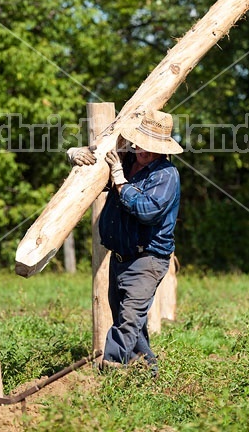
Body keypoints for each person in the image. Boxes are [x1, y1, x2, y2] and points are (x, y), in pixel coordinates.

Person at [67, 108, 183, 376]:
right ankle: (148, 372)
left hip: (148, 259)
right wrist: (74, 153)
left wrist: (120, 181)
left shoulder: (165, 174)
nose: (143, 151)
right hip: (120, 258)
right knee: (128, 319)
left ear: (162, 149)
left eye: (150, 147)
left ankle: (109, 371)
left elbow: (147, 210)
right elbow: (94, 158)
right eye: (140, 143)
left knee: (129, 318)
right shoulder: (127, 161)